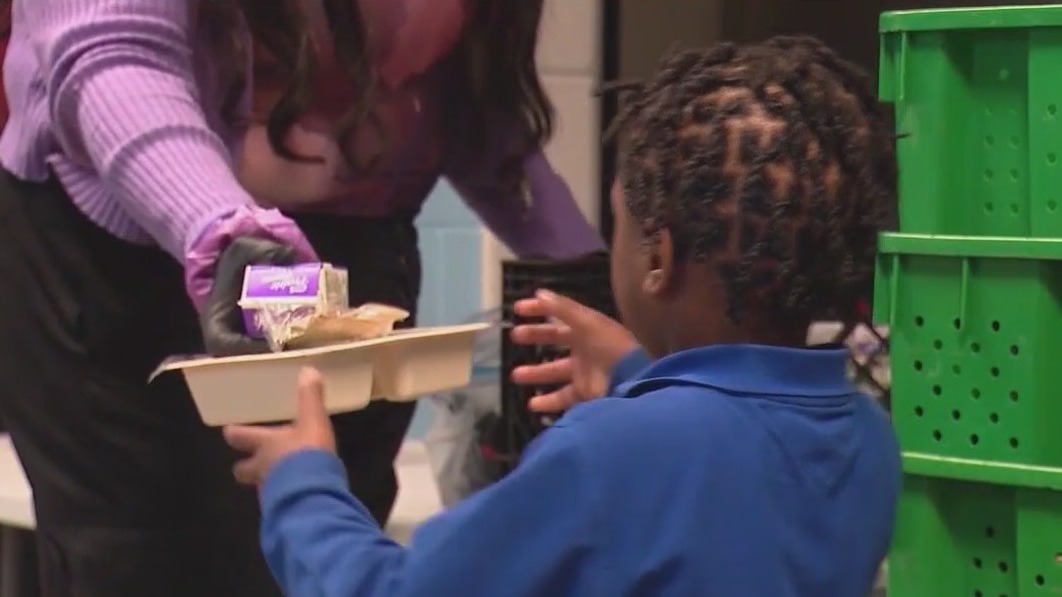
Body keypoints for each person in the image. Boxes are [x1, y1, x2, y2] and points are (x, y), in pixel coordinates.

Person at [223, 36, 903, 597]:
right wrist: (639, 372)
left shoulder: (611, 450)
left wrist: (303, 482)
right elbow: (734, 476)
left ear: (657, 257)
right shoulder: (867, 439)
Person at [0, 1, 600, 596]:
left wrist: (586, 272)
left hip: (356, 251)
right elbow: (111, 53)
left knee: (332, 548)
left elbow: (468, 93)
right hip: (136, 255)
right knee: (158, 564)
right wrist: (220, 230)